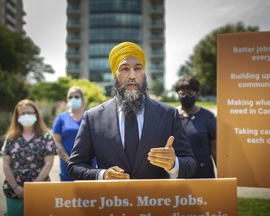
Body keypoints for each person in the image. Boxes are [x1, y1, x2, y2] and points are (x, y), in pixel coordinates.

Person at [68, 41, 197, 180]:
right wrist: (102, 175)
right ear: (114, 74)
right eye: (124, 69)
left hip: (155, 200)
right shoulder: (93, 117)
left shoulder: (168, 114)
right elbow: (75, 165)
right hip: (112, 200)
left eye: (137, 68)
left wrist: (174, 164)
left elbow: (190, 163)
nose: (132, 76)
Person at [1, 99, 57, 216]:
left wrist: (34, 186)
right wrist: (16, 187)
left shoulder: (46, 136)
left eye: (30, 112)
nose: (26, 115)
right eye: (23, 113)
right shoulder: (10, 138)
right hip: (14, 191)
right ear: (17, 116)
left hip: (40, 189)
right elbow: (6, 165)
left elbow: (49, 163)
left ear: (36, 114)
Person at [175, 76, 217, 178]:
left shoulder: (207, 117)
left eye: (190, 93)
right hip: (178, 172)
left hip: (203, 173)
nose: (186, 96)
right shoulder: (171, 116)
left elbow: (214, 148)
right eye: (182, 93)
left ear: (197, 94)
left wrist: (223, 177)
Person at [52, 86, 88, 181]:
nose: (73, 99)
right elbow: (56, 141)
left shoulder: (90, 116)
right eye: (70, 97)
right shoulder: (61, 118)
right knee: (68, 194)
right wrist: (69, 161)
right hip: (66, 165)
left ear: (82, 99)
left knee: (89, 194)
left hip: (88, 166)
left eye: (76, 97)